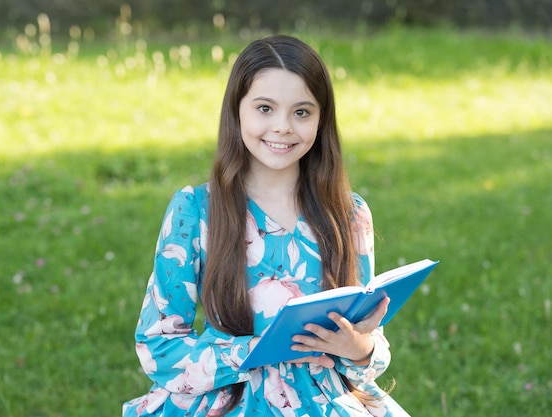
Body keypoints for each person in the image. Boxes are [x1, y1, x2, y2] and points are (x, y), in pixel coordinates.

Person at [123, 35, 409, 416]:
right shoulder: (195, 211)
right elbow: (159, 347)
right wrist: (256, 350)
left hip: (324, 401)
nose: (283, 127)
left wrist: (359, 348)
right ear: (237, 111)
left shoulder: (349, 213)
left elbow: (371, 347)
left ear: (322, 119)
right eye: (265, 108)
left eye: (302, 112)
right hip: (231, 398)